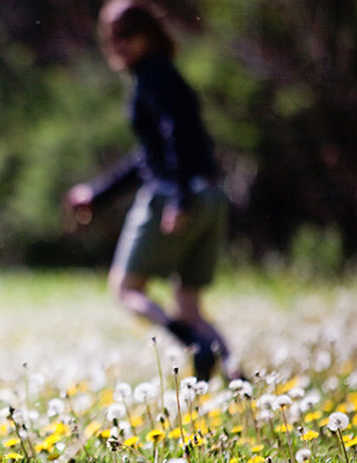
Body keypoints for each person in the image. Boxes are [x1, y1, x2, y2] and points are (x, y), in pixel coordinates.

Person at [65, 0, 237, 381]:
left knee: (126, 289)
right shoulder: (165, 74)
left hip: (176, 196)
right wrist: (99, 194)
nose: (119, 45)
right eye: (112, 37)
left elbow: (175, 137)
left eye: (128, 35)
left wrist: (179, 198)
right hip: (211, 195)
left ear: (148, 34)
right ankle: (238, 377)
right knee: (188, 303)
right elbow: (150, 154)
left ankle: (191, 341)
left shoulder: (153, 76)